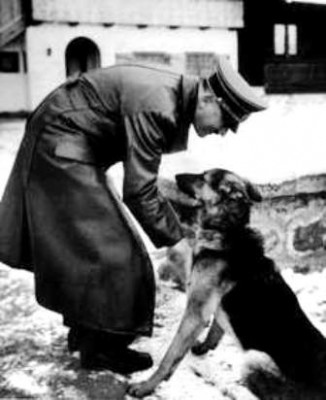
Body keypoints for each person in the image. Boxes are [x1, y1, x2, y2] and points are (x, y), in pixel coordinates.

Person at [0, 56, 267, 374]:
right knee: (118, 252)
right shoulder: (159, 106)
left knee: (91, 247)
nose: (222, 131)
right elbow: (139, 190)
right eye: (226, 120)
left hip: (67, 140)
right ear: (209, 98)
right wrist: (176, 239)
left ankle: (89, 334)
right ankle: (101, 349)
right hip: (61, 143)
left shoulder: (171, 98)